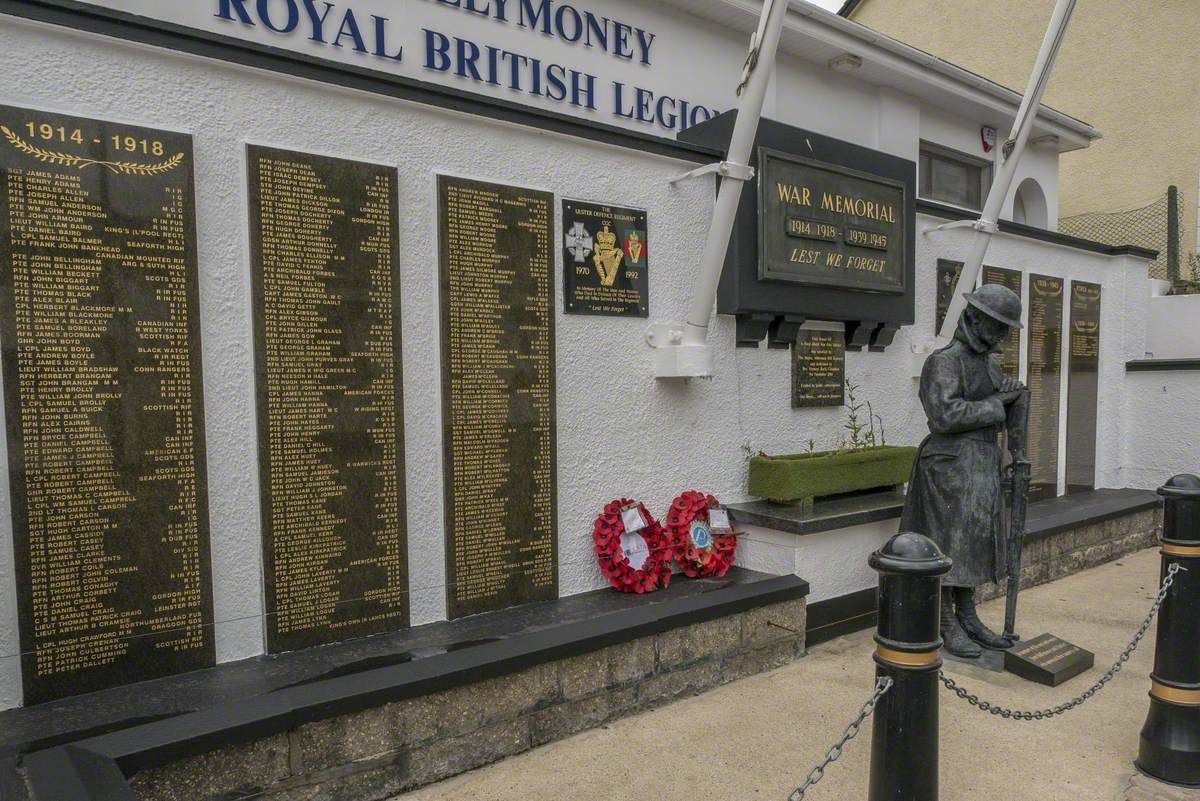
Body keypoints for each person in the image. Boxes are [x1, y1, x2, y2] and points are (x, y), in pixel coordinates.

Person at [902, 284, 1029, 658]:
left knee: (974, 543)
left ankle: (968, 616)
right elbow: (944, 415)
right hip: (950, 469)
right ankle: (944, 619)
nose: (1003, 334)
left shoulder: (989, 363)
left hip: (982, 466)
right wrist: (996, 403)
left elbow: (1005, 407)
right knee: (950, 542)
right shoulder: (943, 361)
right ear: (975, 319)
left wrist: (1015, 398)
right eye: (998, 325)